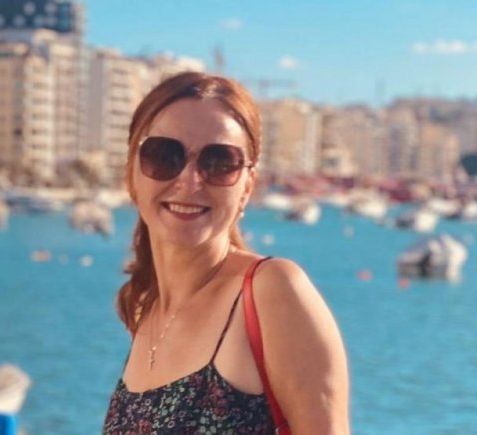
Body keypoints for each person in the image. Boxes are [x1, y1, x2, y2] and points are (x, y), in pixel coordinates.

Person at [103, 72, 350, 434]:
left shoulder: (273, 291)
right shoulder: (147, 309)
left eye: (219, 162)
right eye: (164, 156)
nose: (190, 181)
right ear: (131, 174)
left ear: (247, 185)